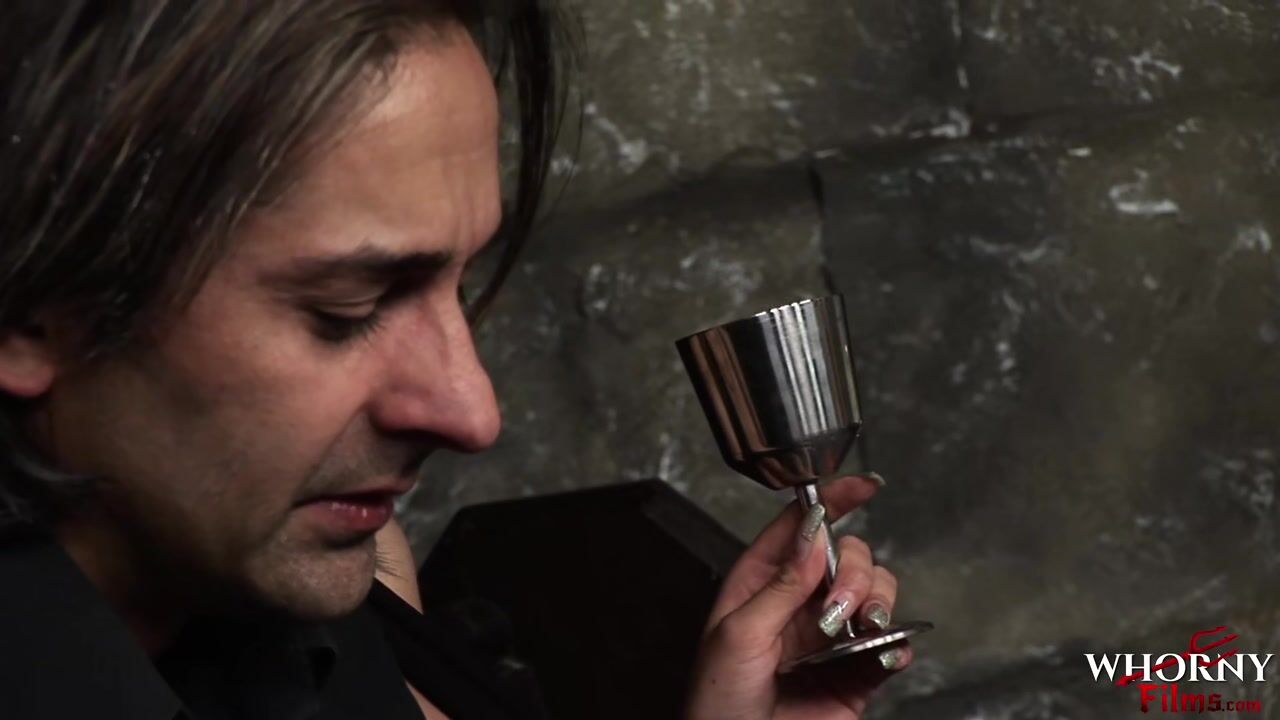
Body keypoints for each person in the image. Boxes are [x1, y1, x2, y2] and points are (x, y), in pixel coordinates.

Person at [0, 2, 914, 718]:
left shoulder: (328, 605)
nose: (474, 412)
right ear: (31, 315)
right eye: (345, 311)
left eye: (460, 285)